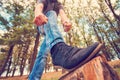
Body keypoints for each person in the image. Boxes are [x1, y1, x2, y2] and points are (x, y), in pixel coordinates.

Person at [28, 0, 103, 80]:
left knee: (42, 54)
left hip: (50, 30)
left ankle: (33, 78)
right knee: (51, 13)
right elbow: (39, 6)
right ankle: (58, 50)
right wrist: (38, 13)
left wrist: (66, 22)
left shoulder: (58, 4)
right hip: (42, 24)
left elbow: (62, 13)